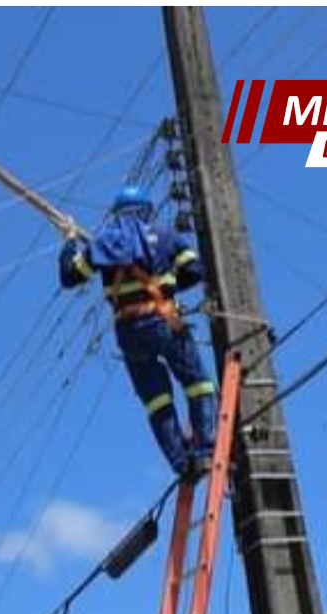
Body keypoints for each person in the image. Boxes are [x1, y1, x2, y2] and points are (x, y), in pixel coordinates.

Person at [58, 185, 217, 480]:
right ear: (146, 211)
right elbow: (195, 270)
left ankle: (181, 463)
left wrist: (69, 241)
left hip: (129, 331)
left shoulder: (102, 245)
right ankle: (206, 451)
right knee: (199, 385)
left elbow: (69, 276)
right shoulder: (166, 236)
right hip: (164, 322)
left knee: (157, 399)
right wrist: (167, 291)